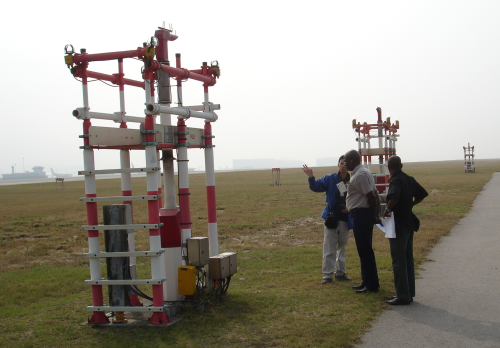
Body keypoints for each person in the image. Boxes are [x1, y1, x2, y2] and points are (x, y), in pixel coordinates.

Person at [383, 156, 428, 305]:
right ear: (401, 165)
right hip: (409, 222)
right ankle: (409, 292)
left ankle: (402, 296)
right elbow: (422, 194)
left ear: (389, 168)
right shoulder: (410, 179)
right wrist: (410, 204)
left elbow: (394, 197)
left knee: (398, 260)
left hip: (398, 224)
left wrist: (388, 209)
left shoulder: (395, 180)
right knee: (408, 259)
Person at [302, 156, 353, 284]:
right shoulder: (330, 179)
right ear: (338, 165)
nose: (343, 166)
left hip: (346, 218)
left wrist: (351, 208)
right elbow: (316, 187)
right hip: (332, 217)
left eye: (345, 164)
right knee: (329, 247)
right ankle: (327, 275)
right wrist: (311, 178)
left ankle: (340, 273)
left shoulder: (353, 180)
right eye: (341, 163)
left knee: (341, 246)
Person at [344, 149, 381, 293]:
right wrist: (375, 214)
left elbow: (371, 196)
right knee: (364, 250)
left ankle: (371, 284)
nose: (345, 164)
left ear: (352, 161)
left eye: (346, 161)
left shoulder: (359, 175)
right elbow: (375, 194)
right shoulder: (364, 172)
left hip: (361, 215)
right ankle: (366, 281)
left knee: (365, 250)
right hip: (362, 215)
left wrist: (375, 215)